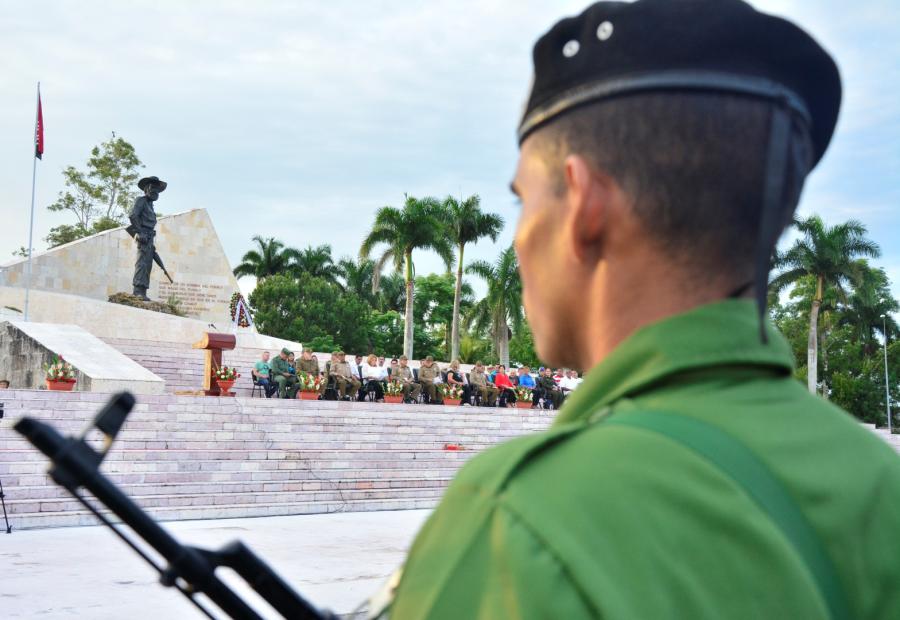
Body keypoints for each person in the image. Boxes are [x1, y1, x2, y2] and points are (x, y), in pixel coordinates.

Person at [390, 2, 900, 618]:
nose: (520, 240)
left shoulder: (517, 524)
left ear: (582, 205)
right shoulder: (880, 485)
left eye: (523, 201)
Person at [128, 176, 166, 300]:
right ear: (146, 189)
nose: (155, 191)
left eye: (157, 189)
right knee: (142, 264)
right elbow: (133, 215)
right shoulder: (141, 200)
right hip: (143, 235)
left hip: (149, 238)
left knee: (148, 265)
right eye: (153, 188)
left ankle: (143, 292)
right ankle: (138, 291)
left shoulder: (150, 205)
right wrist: (140, 232)